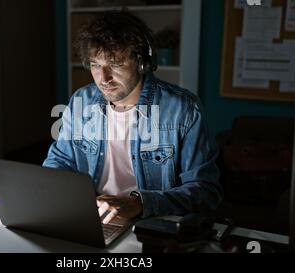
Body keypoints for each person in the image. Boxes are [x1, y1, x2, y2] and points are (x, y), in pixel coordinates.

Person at [43, 11, 222, 225]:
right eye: (95, 65)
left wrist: (140, 204)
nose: (104, 78)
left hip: (152, 220)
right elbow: (60, 160)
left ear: (141, 62)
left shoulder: (183, 109)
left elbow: (205, 190)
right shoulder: (81, 100)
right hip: (92, 216)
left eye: (116, 64)